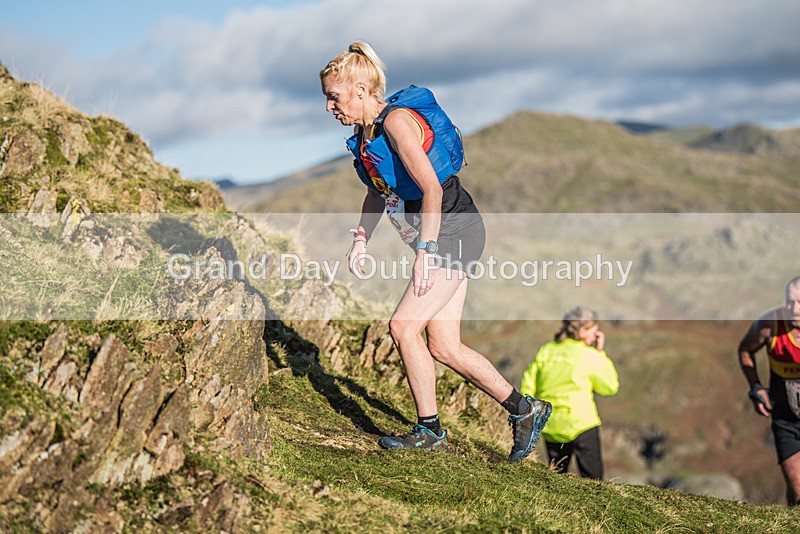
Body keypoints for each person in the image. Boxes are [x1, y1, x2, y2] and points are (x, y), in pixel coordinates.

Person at [319, 41, 551, 462]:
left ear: (358, 89)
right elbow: (378, 191)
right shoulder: (364, 133)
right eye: (327, 99)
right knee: (444, 345)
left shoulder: (397, 123)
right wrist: (360, 239)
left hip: (453, 232)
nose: (330, 107)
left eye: (333, 97)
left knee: (403, 327)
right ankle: (525, 409)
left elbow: (430, 187)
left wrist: (426, 252)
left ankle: (430, 430)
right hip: (439, 235)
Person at [520, 307, 618, 479]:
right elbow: (609, 386)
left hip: (551, 425)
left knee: (556, 478)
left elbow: (528, 386)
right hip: (582, 424)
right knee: (595, 481)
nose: (596, 335)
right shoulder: (589, 355)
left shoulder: (546, 350)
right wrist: (600, 352)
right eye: (593, 331)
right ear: (582, 331)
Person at [738, 275, 800, 506]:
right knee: (797, 493)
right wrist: (755, 387)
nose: (794, 309)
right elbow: (745, 350)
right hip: (786, 421)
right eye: (789, 302)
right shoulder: (770, 325)